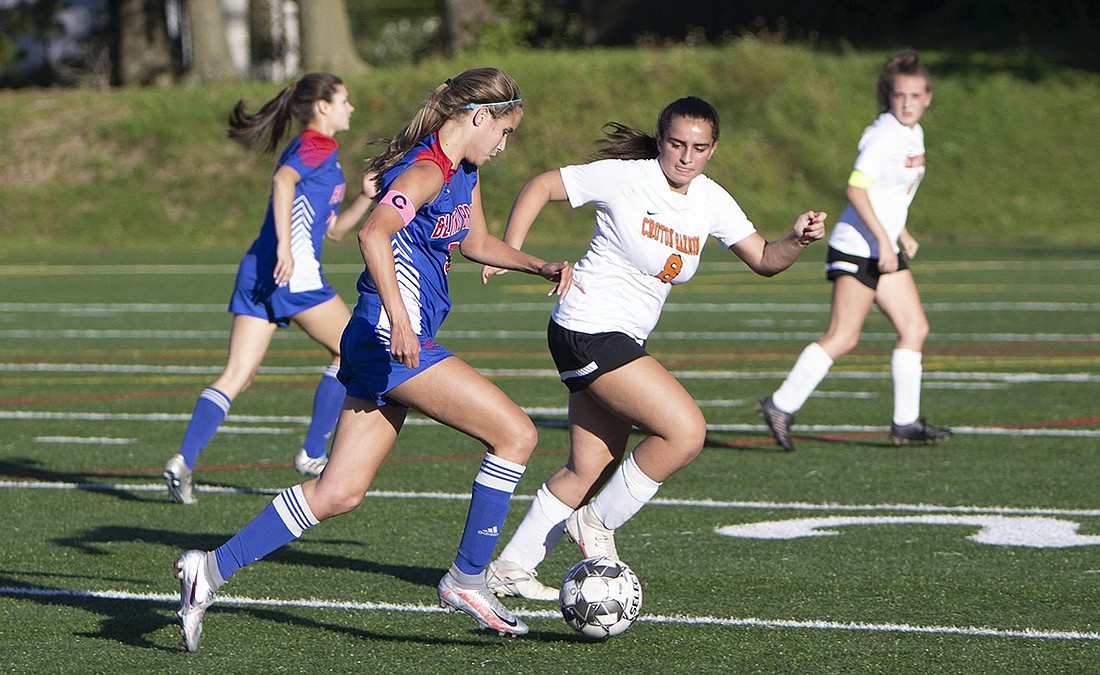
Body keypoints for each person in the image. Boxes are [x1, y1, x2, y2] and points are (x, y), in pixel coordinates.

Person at [173, 67, 577, 651]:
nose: (504, 145)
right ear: (480, 116)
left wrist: (540, 264)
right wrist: (404, 321)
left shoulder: (462, 171)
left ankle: (207, 571)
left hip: (374, 340)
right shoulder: (426, 169)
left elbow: (475, 242)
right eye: (505, 132)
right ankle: (467, 579)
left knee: (338, 492)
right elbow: (374, 235)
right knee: (516, 434)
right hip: (390, 339)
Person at [479, 96, 827, 601]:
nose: (686, 157)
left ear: (713, 150)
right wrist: (510, 251)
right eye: (677, 144)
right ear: (660, 140)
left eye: (699, 148)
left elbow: (766, 259)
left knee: (590, 466)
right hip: (589, 326)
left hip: (614, 337)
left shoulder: (710, 199)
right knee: (685, 432)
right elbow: (541, 185)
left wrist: (797, 238)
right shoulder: (627, 176)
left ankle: (510, 567)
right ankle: (595, 523)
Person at [163, 72, 376, 504]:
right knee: (354, 347)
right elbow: (282, 181)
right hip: (289, 273)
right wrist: (285, 248)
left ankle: (182, 460)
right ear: (322, 106)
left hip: (258, 271)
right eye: (344, 100)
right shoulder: (319, 144)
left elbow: (332, 231)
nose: (350, 108)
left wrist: (365, 197)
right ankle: (314, 453)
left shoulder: (321, 153)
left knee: (237, 376)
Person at [757, 49, 952, 452]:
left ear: (928, 97)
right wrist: (885, 240)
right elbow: (856, 188)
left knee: (915, 328)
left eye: (915, 95)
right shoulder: (883, 134)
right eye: (900, 95)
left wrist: (903, 232)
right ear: (889, 95)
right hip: (857, 247)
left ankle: (905, 422)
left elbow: (888, 193)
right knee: (844, 337)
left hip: (883, 246)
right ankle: (779, 405)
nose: (907, 103)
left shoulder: (912, 134)